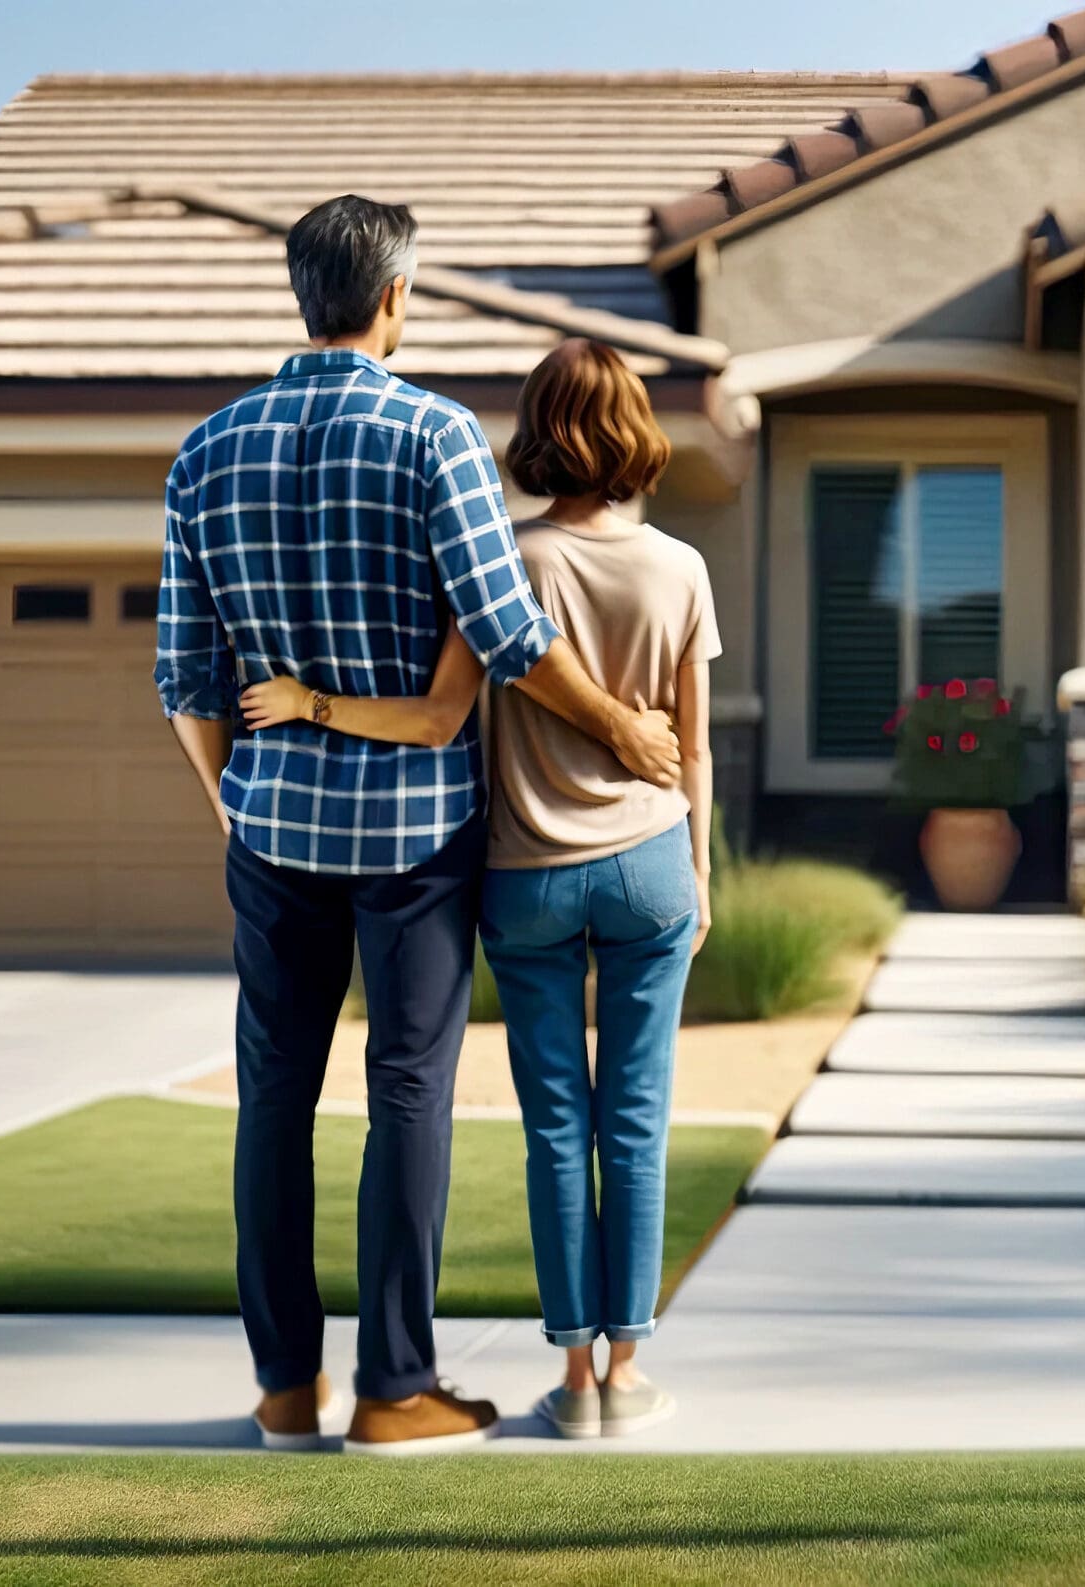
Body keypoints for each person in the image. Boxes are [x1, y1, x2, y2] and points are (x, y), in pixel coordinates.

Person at [156, 195, 681, 1456]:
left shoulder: (204, 451)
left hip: (271, 832)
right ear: (394, 297)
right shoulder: (434, 433)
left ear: (303, 296)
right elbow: (508, 640)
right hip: (410, 840)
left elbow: (184, 681)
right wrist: (623, 729)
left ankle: (287, 1390)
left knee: (272, 1100)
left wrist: (237, 794)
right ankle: (396, 1390)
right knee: (407, 1094)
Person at [241, 336, 716, 1440]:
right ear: (639, 435)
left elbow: (462, 705)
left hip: (526, 875)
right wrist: (696, 872)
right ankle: (628, 1371)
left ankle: (574, 1382)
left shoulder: (504, 558)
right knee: (634, 1122)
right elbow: (690, 750)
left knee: (556, 1126)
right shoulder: (682, 567)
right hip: (649, 864)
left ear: (539, 436)